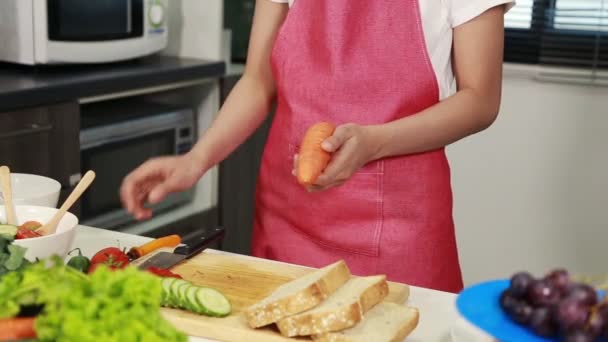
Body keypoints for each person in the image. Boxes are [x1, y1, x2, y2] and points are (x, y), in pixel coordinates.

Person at [120, 0, 515, 293]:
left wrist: (374, 143)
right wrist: (196, 160)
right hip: (290, 213)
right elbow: (259, 81)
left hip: (399, 223)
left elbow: (480, 100)